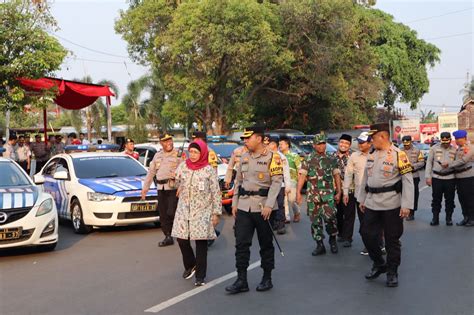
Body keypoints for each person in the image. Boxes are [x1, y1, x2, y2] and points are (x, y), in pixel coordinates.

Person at [225, 126, 283, 294]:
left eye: (248, 138)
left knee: (266, 244)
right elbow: (238, 182)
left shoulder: (273, 157)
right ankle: (241, 280)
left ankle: (267, 278)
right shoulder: (243, 157)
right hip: (244, 207)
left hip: (263, 207)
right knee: (241, 244)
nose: (245, 141)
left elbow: (276, 183)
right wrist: (234, 203)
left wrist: (269, 205)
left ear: (258, 138)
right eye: (243, 138)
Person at [358, 123, 414, 287]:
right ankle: (379, 263)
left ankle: (392, 272)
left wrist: (406, 204)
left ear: (382, 137)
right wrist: (362, 199)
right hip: (372, 202)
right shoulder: (372, 155)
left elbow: (408, 181)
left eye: (373, 138)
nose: (371, 141)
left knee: (392, 240)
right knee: (366, 234)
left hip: (391, 203)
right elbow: (364, 180)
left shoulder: (399, 155)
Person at [172, 139, 222, 286]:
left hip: (202, 210)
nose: (192, 155)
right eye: (191, 152)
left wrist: (216, 213)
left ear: (202, 153)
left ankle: (200, 276)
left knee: (200, 243)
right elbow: (176, 182)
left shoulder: (208, 170)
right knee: (181, 239)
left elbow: (216, 192)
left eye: (196, 152)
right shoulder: (183, 166)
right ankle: (191, 264)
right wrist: (174, 181)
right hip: (183, 209)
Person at [297, 132, 341, 256]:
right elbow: (302, 177)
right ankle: (319, 245)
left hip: (328, 196)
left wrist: (339, 192)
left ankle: (333, 241)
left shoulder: (332, 159)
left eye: (323, 143)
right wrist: (298, 193)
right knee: (315, 222)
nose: (322, 146)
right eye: (319, 144)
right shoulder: (308, 159)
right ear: (314, 145)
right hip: (313, 197)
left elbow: (336, 175)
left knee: (331, 220)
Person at [141, 133, 182, 247]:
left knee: (171, 212)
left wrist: (182, 185)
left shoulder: (179, 154)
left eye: (170, 140)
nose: (169, 143)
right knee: (163, 214)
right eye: (165, 141)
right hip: (161, 188)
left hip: (173, 188)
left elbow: (185, 170)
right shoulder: (157, 155)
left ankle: (181, 233)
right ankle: (168, 236)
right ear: (161, 143)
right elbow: (151, 172)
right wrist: (145, 188)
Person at [343, 132, 372, 253]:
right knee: (363, 222)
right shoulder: (354, 156)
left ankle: (381, 243)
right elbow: (348, 175)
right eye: (359, 142)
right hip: (360, 196)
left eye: (362, 142)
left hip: (375, 196)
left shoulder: (376, 155)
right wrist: (345, 192)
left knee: (375, 223)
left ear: (370, 143)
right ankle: (368, 245)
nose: (360, 144)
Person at [191, 131, 221, 246]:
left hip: (207, 187)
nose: (193, 142)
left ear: (201, 139)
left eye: (195, 139)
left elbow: (213, 172)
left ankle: (208, 235)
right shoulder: (196, 151)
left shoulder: (210, 152)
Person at [440, 130, 474, 226]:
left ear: (465, 138)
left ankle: (472, 218)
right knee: (461, 198)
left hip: (468, 176)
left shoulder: (470, 148)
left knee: (469, 198)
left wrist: (448, 165)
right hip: (458, 177)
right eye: (456, 139)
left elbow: (463, 161)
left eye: (459, 139)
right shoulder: (458, 149)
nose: (457, 141)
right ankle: (466, 217)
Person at [425, 132, 457, 226]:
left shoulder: (455, 150)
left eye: (447, 142)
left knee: (450, 200)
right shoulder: (434, 148)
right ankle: (435, 218)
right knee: (436, 199)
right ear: (441, 140)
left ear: (450, 140)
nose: (445, 144)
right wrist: (428, 176)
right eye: (443, 142)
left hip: (450, 178)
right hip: (437, 178)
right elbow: (429, 163)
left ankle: (449, 218)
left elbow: (457, 164)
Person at [265, 135, 291, 235]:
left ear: (274, 145)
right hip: (269, 186)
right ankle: (273, 224)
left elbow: (286, 172)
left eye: (270, 144)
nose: (267, 145)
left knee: (280, 205)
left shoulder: (281, 157)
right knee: (270, 205)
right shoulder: (266, 156)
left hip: (280, 185)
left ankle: (281, 225)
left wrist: (287, 186)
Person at [332, 134, 354, 247]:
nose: (343, 145)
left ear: (350, 145)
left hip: (349, 190)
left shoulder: (353, 157)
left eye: (346, 143)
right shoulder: (331, 156)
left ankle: (348, 237)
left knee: (349, 214)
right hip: (335, 190)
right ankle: (340, 234)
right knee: (337, 214)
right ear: (338, 143)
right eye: (342, 142)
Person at [401, 135, 426, 221]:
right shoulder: (399, 151)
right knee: (402, 194)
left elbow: (422, 162)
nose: (406, 146)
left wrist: (413, 166)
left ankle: (411, 213)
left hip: (414, 175)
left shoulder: (417, 150)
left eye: (407, 144)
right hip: (402, 176)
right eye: (404, 144)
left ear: (411, 142)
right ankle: (402, 211)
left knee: (414, 195)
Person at [278, 136, 302, 223]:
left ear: (287, 145)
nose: (279, 146)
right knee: (283, 200)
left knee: (291, 200)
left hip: (292, 180)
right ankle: (286, 217)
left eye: (281, 144)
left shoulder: (294, 156)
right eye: (279, 144)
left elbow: (300, 170)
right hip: (281, 181)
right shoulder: (277, 156)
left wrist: (299, 183)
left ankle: (297, 212)